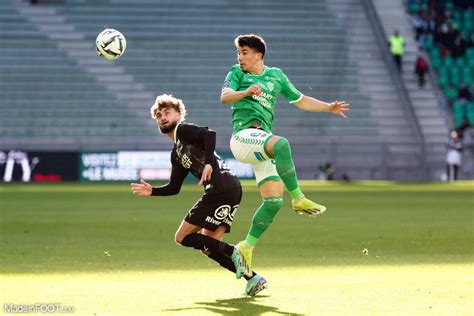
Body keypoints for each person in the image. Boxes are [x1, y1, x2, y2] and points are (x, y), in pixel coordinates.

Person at [220, 34, 350, 276]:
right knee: (281, 144)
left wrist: (328, 107)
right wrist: (246, 92)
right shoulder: (237, 73)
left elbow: (300, 100)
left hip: (260, 143)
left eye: (244, 52)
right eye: (238, 53)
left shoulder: (276, 75)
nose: (240, 57)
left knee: (273, 201)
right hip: (243, 138)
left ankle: (245, 247)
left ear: (259, 55)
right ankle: (299, 197)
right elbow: (224, 97)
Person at [130, 94, 267, 296]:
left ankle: (234, 251)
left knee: (181, 237)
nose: (162, 117)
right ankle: (253, 279)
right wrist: (153, 191)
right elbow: (174, 187)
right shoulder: (176, 152)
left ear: (179, 114)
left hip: (219, 189)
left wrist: (210, 162)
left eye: (167, 112)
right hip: (230, 188)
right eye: (158, 115)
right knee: (209, 246)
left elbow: (209, 134)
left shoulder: (183, 130)